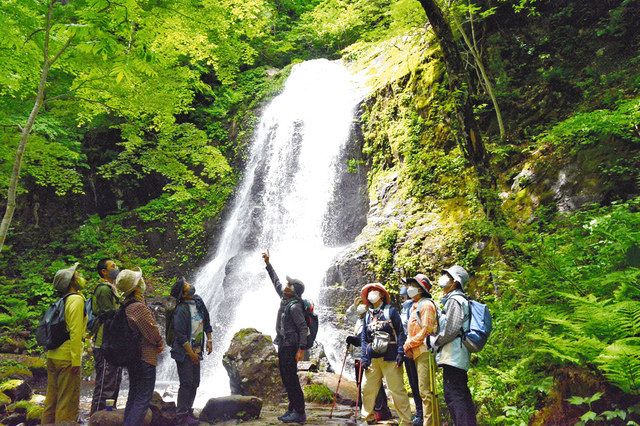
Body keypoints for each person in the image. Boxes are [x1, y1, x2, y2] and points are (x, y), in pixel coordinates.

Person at [262, 250, 309, 424]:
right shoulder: (285, 300)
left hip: (290, 346)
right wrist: (268, 264)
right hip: (283, 344)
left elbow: (303, 328)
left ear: (294, 290)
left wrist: (301, 350)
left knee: (291, 378)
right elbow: (275, 282)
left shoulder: (295, 306)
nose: (285, 285)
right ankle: (292, 409)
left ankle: (300, 412)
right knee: (286, 377)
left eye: (289, 284)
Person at [429, 265, 477, 426]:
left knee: (454, 395)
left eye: (447, 276)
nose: (443, 279)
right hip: (456, 355)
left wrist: (436, 341)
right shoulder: (458, 299)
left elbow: (451, 329)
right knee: (460, 393)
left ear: (455, 282)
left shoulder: (455, 300)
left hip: (454, 355)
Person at [115, 268, 164, 426]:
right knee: (143, 399)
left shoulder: (125, 305)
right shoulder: (138, 307)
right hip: (145, 357)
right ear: (136, 288)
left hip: (133, 358)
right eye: (139, 281)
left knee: (134, 395)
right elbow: (151, 331)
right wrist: (159, 342)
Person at [360, 283, 412, 426]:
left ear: (381, 294)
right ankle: (368, 418)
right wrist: (364, 358)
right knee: (367, 389)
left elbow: (401, 332)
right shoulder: (367, 316)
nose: (371, 294)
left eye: (374, 291)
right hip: (373, 359)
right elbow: (364, 338)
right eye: (369, 291)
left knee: (397, 390)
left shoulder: (391, 312)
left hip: (391, 357)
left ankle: (406, 421)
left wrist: (400, 352)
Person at [41, 262, 88, 424]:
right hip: (67, 357)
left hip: (53, 354)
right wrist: (76, 360)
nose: (80, 276)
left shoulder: (62, 300)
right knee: (67, 402)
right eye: (77, 275)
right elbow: (75, 332)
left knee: (52, 400)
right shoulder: (76, 300)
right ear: (73, 281)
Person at [170, 277, 213, 425]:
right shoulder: (181, 309)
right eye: (187, 285)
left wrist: (210, 340)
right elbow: (180, 336)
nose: (190, 284)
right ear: (183, 293)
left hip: (197, 350)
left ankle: (188, 410)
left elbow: (206, 321)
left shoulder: (198, 301)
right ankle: (181, 416)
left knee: (195, 382)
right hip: (184, 353)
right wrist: (191, 353)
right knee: (186, 382)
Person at [345, 296, 392, 422]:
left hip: (367, 355)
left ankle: (381, 410)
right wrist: (355, 305)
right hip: (357, 356)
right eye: (359, 305)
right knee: (361, 385)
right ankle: (364, 410)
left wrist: (354, 340)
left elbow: (364, 338)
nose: (361, 306)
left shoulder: (371, 318)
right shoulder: (359, 319)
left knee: (374, 385)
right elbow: (348, 314)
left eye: (363, 304)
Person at [403, 274, 440, 426]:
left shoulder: (426, 305)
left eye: (412, 285)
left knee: (426, 391)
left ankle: (429, 423)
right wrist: (409, 344)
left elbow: (427, 329)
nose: (409, 288)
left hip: (424, 350)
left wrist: (409, 343)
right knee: (422, 390)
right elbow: (411, 330)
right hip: (417, 351)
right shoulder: (415, 306)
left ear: (421, 289)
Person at [90, 258, 123, 415]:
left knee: (113, 383)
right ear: (104, 271)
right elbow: (109, 314)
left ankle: (109, 415)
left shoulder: (112, 288)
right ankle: (97, 417)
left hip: (112, 342)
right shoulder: (104, 289)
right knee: (104, 383)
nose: (116, 268)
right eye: (113, 266)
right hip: (104, 343)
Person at [399, 284, 423, 425]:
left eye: (403, 296)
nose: (402, 299)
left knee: (419, 383)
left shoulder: (418, 306)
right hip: (408, 350)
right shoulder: (405, 308)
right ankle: (419, 412)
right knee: (414, 383)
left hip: (415, 349)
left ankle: (422, 414)